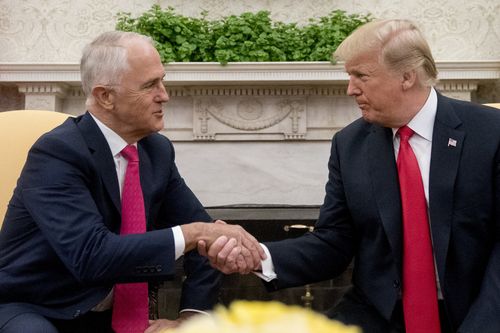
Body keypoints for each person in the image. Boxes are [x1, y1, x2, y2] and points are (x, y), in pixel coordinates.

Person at [202, 19, 500, 333]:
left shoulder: (490, 133)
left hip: (479, 311)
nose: (350, 89)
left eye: (361, 76)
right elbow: (333, 242)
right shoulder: (350, 145)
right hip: (380, 314)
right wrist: (258, 256)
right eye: (349, 76)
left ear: (407, 77)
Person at [0, 31, 264, 333]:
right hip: (38, 309)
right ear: (105, 96)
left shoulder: (156, 151)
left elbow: (205, 240)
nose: (164, 95)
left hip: (113, 318)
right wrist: (197, 232)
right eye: (150, 85)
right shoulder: (58, 152)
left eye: (162, 81)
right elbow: (91, 255)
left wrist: (192, 316)